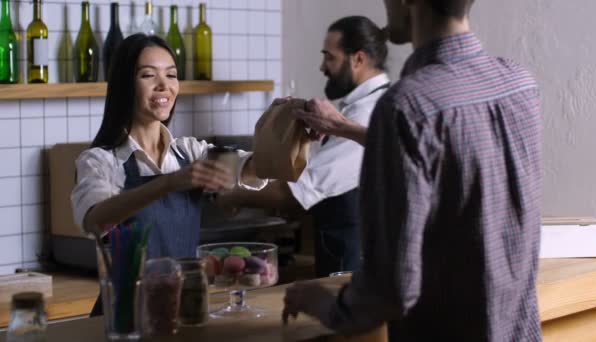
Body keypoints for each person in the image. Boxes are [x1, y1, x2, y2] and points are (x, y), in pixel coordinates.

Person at [283, 0, 543, 341]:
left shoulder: (405, 107)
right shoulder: (519, 84)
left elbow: (390, 289)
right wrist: (345, 126)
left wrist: (322, 302)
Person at [70, 34, 267, 315]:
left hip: (181, 308)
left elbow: (257, 168)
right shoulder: (100, 160)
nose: (164, 85)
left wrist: (287, 128)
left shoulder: (189, 151)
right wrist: (170, 182)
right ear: (125, 85)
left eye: (172, 75)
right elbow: (95, 220)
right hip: (125, 315)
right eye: (149, 75)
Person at [218, 16, 390, 277]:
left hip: (351, 256)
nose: (322, 66)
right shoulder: (360, 106)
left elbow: (299, 189)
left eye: (329, 57)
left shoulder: (366, 113)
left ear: (358, 59)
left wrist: (229, 195)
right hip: (341, 246)